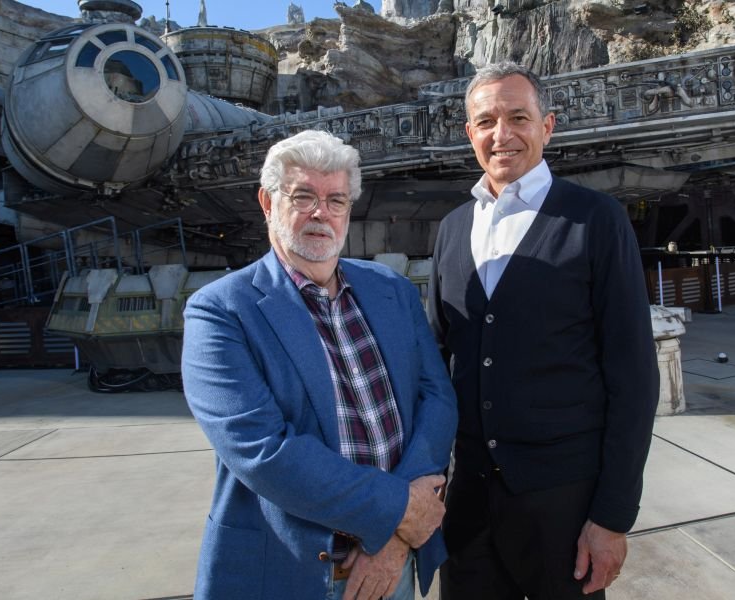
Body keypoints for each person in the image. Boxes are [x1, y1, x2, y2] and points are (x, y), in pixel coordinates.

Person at [182, 130, 458, 600]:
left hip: (390, 563)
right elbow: (263, 451)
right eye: (303, 195)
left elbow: (436, 398)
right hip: (288, 573)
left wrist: (396, 537)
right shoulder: (220, 311)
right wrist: (399, 512)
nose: (320, 213)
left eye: (336, 200)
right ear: (267, 203)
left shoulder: (390, 290)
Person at [428, 62, 660, 599]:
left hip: (564, 508)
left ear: (547, 126)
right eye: (486, 121)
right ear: (470, 134)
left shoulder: (596, 220)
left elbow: (633, 377)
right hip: (467, 509)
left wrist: (613, 517)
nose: (501, 134)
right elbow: (439, 365)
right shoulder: (452, 228)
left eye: (518, 117)